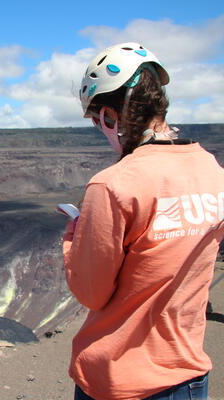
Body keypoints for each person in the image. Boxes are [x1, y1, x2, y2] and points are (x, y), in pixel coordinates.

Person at [63, 42, 224, 400]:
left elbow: (92, 292)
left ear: (109, 114)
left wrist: (75, 237)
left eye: (95, 120)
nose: (97, 128)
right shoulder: (212, 169)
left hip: (119, 380)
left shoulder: (113, 184)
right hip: (187, 376)